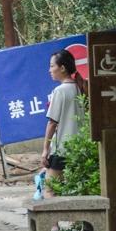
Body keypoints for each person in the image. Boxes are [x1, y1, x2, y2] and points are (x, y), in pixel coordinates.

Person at [40, 49, 85, 184]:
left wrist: (45, 150)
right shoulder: (79, 87)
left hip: (62, 150)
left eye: (52, 66)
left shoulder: (60, 91)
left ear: (63, 68)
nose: (50, 70)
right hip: (80, 148)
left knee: (50, 189)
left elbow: (52, 123)